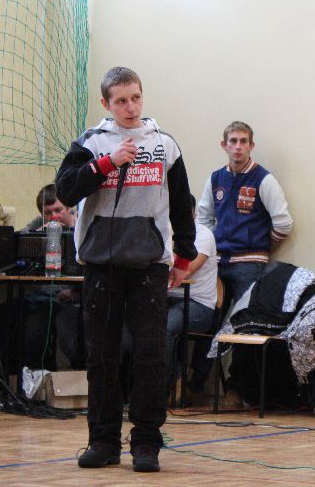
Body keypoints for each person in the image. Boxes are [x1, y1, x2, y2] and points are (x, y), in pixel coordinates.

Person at [55, 66, 197, 473]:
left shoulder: (165, 145)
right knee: (102, 356)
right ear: (106, 103)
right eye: (121, 101)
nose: (130, 107)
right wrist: (105, 164)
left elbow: (181, 205)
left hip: (149, 265)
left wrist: (183, 258)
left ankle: (146, 443)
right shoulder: (91, 142)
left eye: (135, 97)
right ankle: (103, 441)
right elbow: (65, 190)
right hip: (102, 265)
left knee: (150, 355)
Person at [197, 120, 293, 404]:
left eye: (243, 142)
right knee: (209, 321)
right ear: (224, 145)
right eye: (233, 141)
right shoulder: (216, 179)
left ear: (251, 146)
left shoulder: (263, 179)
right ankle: (196, 384)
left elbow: (283, 224)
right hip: (217, 264)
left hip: (250, 264)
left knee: (243, 327)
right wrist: (210, 246)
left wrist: (260, 246)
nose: (237, 147)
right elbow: (203, 218)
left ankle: (236, 390)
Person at [20, 184, 82, 370]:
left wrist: (76, 293)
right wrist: (39, 234)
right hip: (42, 297)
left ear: (69, 207)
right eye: (48, 213)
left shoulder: (82, 225)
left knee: (73, 332)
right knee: (29, 330)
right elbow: (18, 240)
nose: (54, 216)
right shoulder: (39, 223)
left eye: (58, 210)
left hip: (73, 299)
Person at [165, 194, 218, 396]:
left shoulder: (203, 235)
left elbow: (186, 271)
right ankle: (173, 376)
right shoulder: (162, 232)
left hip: (198, 304)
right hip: (167, 299)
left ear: (194, 215)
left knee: (164, 328)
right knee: (134, 326)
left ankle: (166, 388)